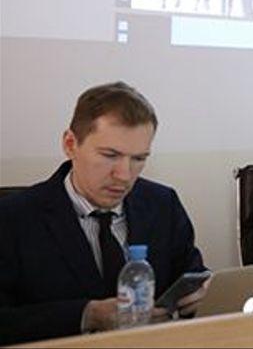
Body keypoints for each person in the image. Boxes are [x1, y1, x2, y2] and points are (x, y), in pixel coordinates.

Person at [0, 82, 208, 345]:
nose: (124, 176)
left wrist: (201, 295)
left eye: (139, 159)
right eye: (110, 155)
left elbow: (191, 275)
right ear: (70, 144)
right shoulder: (13, 218)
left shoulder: (162, 203)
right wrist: (87, 315)